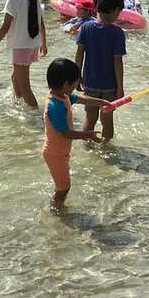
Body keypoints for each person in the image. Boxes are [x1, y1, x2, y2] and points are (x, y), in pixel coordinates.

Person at [41, 57, 106, 207]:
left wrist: (101, 102)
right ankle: (56, 211)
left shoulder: (62, 96)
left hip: (60, 151)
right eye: (76, 82)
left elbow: (82, 99)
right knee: (64, 188)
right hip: (55, 153)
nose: (77, 84)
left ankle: (56, 207)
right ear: (66, 84)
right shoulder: (55, 106)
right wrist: (88, 134)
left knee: (63, 185)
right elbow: (66, 133)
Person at [74, 0, 127, 142]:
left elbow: (79, 54)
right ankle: (106, 147)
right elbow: (117, 62)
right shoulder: (117, 33)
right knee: (107, 119)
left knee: (90, 117)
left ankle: (87, 146)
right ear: (116, 10)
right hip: (109, 85)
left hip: (90, 82)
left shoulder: (86, 27)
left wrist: (77, 77)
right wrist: (120, 87)